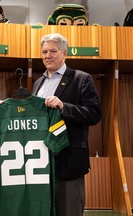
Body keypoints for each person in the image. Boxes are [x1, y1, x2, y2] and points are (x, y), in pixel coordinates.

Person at [32, 33, 101, 216]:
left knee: (69, 210)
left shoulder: (81, 78)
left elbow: (94, 114)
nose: (48, 55)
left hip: (68, 160)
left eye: (53, 51)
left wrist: (64, 107)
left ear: (64, 53)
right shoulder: (38, 83)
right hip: (39, 162)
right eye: (44, 51)